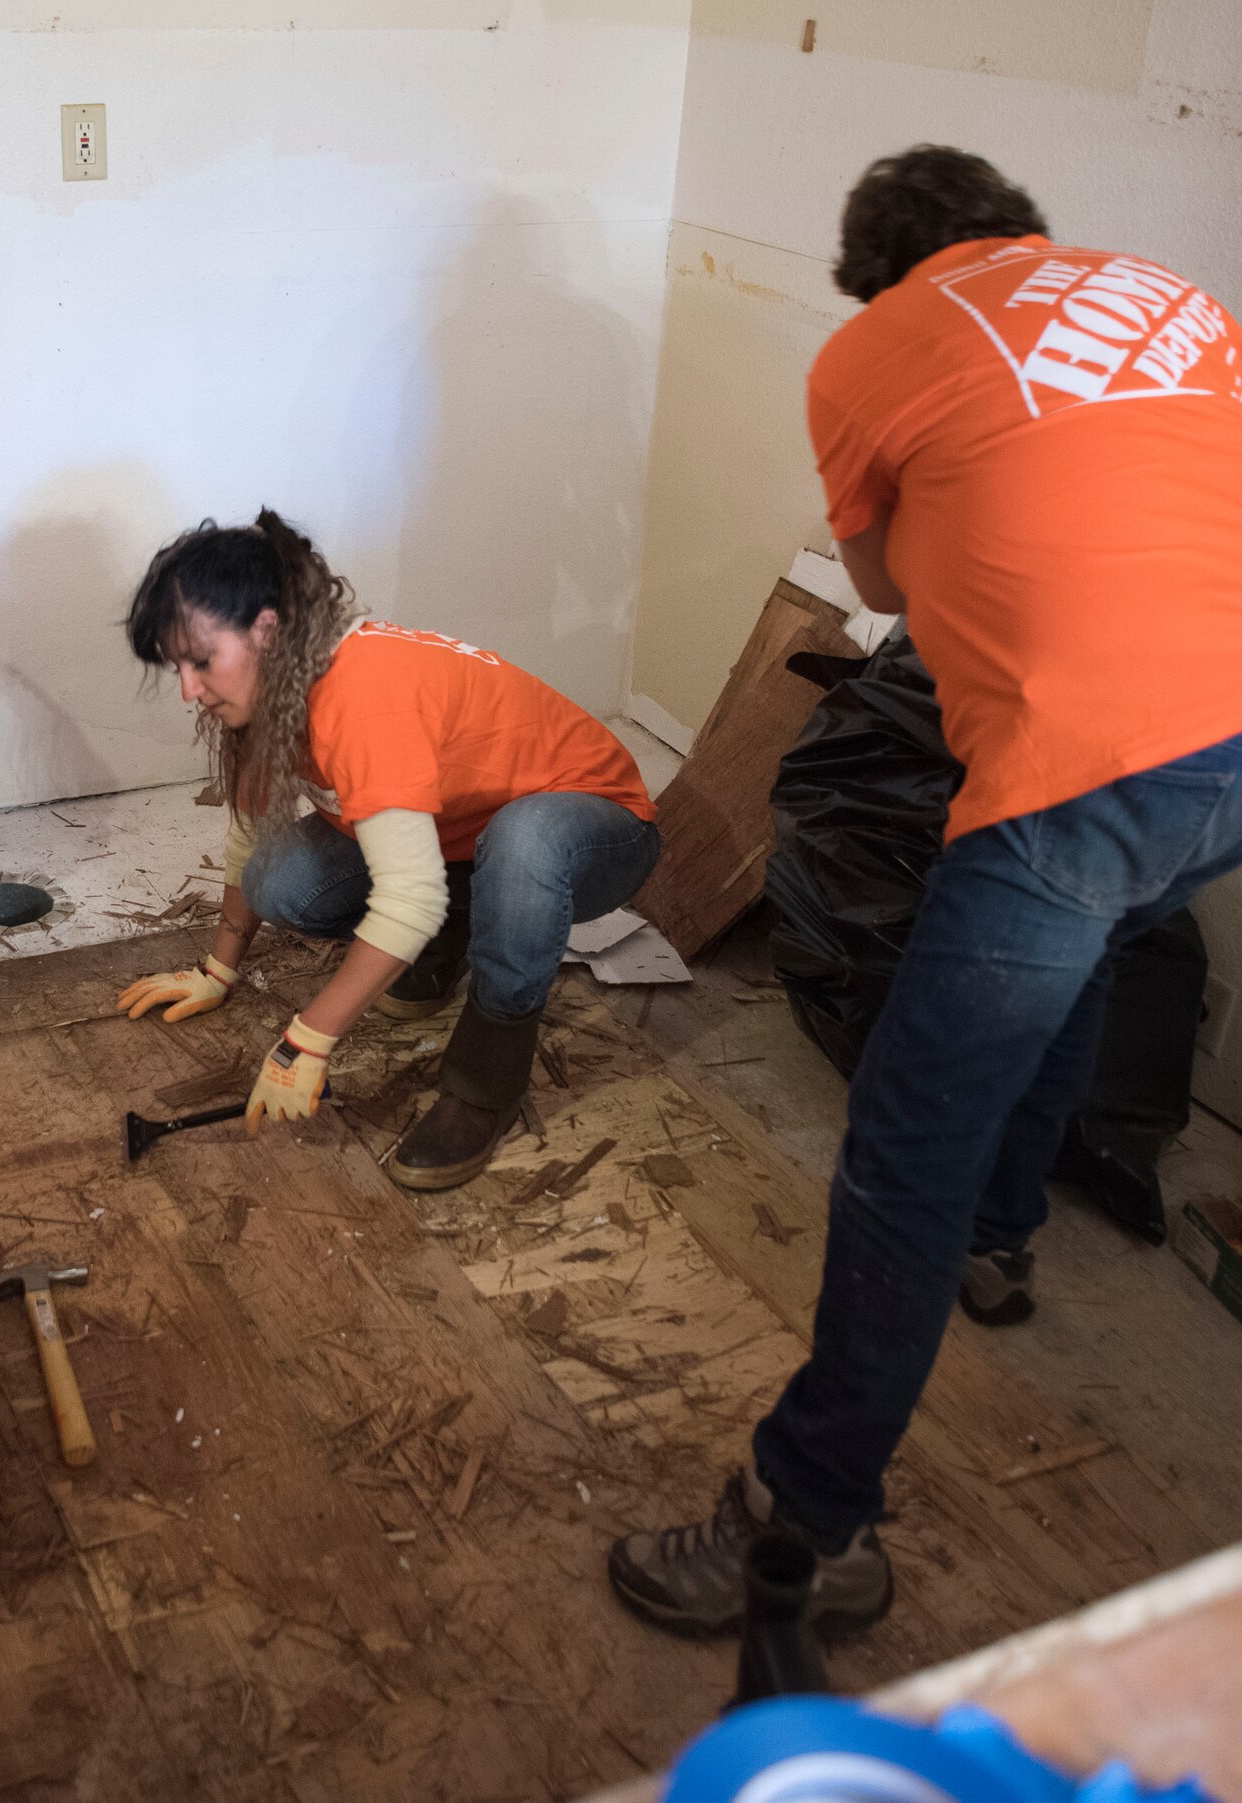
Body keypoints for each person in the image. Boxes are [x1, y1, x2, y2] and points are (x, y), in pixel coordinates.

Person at [610, 147, 1242, 1636]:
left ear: (876, 271)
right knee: (1093, 947)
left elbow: (882, 584)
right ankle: (1005, 1234)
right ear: (1015, 227)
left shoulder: (875, 344)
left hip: (1084, 767)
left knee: (900, 1152)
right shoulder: (1167, 292)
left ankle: (809, 1525)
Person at [113, 510, 660, 1190]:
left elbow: (409, 896)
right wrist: (217, 969)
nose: (189, 689)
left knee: (523, 844)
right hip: (464, 831)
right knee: (280, 876)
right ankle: (457, 924)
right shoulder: (276, 688)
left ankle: (484, 1084)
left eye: (200, 661)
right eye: (178, 667)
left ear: (266, 628)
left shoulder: (363, 696)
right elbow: (254, 829)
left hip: (598, 826)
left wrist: (306, 1040)